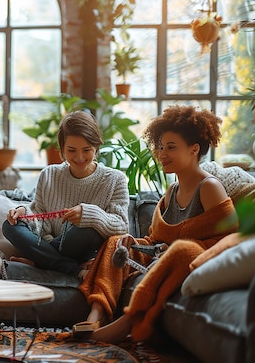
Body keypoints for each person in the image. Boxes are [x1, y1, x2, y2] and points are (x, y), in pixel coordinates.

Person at [77, 105, 239, 343]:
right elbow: (156, 240)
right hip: (164, 257)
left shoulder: (209, 187)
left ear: (194, 149)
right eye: (161, 147)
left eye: (171, 147)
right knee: (116, 242)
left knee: (183, 249)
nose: (162, 153)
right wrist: (136, 244)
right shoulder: (172, 190)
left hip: (195, 258)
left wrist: (174, 249)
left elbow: (229, 240)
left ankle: (127, 323)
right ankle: (95, 314)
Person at [2, 110, 130, 277]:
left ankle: (39, 261)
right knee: (9, 226)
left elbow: (121, 225)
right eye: (71, 150)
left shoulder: (115, 179)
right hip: (53, 243)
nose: (79, 157)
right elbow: (40, 215)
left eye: (86, 150)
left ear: (97, 147)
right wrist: (23, 213)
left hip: (81, 245)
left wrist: (89, 214)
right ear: (62, 149)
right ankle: (74, 269)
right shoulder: (49, 175)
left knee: (87, 229)